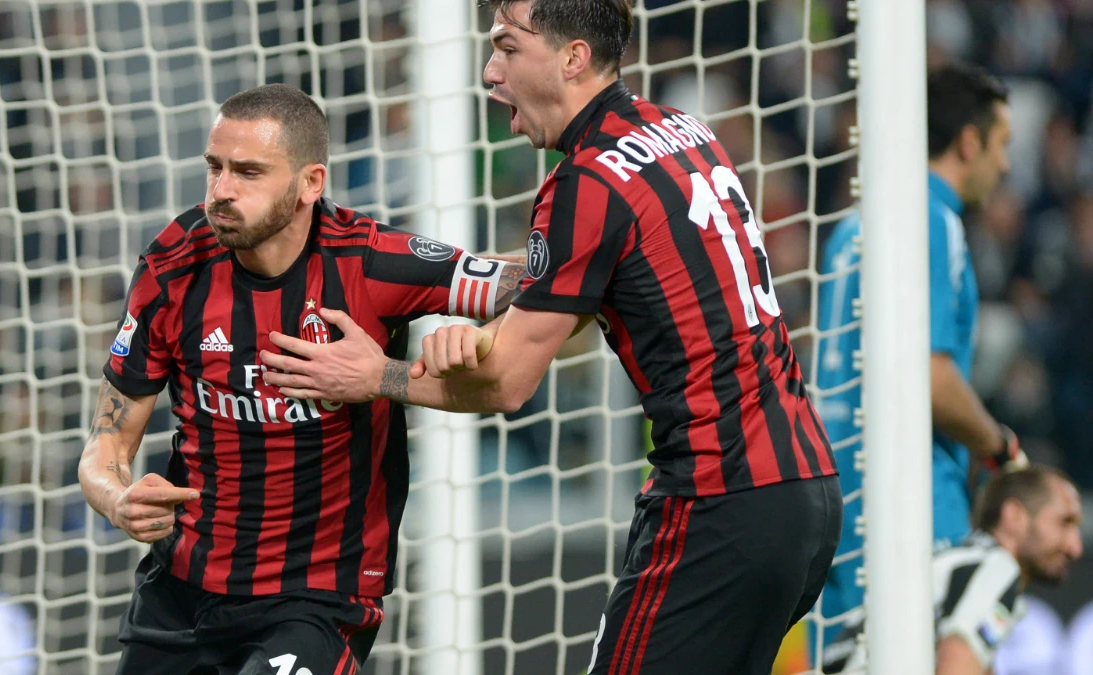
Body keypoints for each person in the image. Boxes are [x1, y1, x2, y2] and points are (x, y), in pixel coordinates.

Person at [259, 1, 842, 673]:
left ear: (572, 58)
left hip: (720, 499)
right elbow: (615, 293)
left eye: (508, 48)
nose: (490, 71)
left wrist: (377, 375)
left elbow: (509, 382)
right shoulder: (685, 131)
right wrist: (481, 329)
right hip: (803, 491)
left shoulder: (586, 181)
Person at [77, 83, 527, 675]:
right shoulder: (172, 266)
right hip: (181, 591)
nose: (222, 191)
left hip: (316, 597)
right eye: (215, 168)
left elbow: (547, 294)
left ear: (311, 183)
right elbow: (106, 442)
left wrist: (484, 337)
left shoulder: (369, 261)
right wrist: (118, 499)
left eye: (249, 172)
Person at [816, 63, 1026, 644]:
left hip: (833, 494)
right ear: (968, 141)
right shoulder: (931, 220)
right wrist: (999, 445)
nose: (1005, 164)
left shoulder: (853, 225)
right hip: (905, 499)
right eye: (1001, 144)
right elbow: (929, 377)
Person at [823, 466, 1084, 674]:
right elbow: (958, 661)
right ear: (1015, 516)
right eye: (1065, 523)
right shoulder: (995, 569)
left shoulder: (963, 563)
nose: (1076, 547)